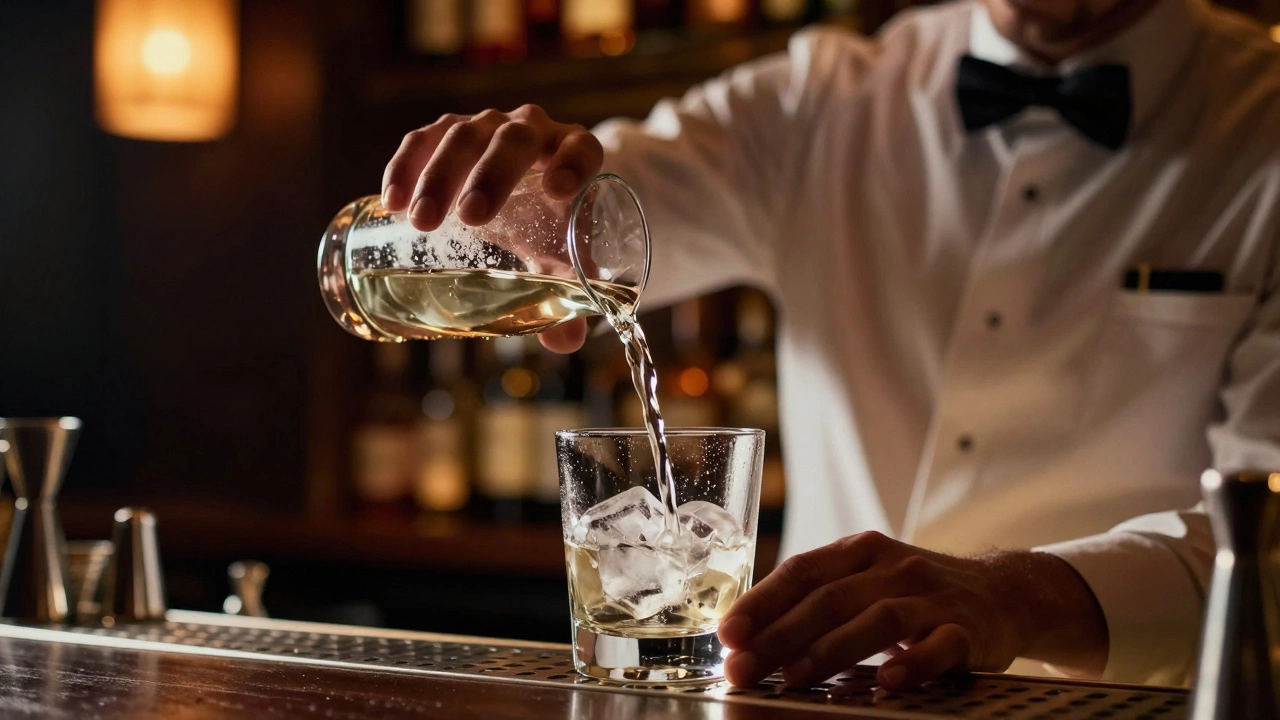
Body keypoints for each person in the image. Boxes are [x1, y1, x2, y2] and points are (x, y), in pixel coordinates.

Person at [379, 0, 1280, 691]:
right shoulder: (820, 98)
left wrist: (1025, 598)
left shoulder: (1262, 121)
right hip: (813, 701)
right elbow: (603, 215)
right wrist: (526, 201)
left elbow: (1270, 542)